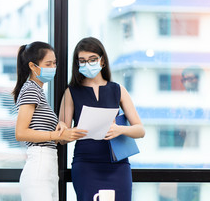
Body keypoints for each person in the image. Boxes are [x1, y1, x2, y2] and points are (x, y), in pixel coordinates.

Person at [58, 37, 145, 201]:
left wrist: (120, 129)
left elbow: (140, 130)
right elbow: (62, 138)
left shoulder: (118, 90)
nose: (87, 64)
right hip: (86, 164)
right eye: (82, 61)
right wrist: (70, 131)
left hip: (118, 164)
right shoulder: (71, 92)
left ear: (102, 61)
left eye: (92, 60)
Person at [13, 41, 87, 201]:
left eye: (54, 63)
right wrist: (55, 135)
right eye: (48, 64)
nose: (53, 67)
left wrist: (59, 127)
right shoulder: (31, 89)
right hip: (39, 165)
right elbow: (21, 133)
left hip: (48, 167)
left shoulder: (38, 91)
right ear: (33, 66)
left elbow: (41, 128)